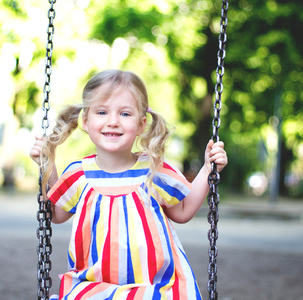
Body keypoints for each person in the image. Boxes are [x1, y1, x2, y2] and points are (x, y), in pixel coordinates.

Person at [30, 69, 227, 299]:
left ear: (142, 124)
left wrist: (207, 169)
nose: (112, 122)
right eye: (102, 112)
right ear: (85, 120)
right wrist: (47, 164)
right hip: (94, 286)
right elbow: (56, 213)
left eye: (125, 114)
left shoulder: (154, 170)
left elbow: (183, 211)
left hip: (154, 286)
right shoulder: (78, 175)